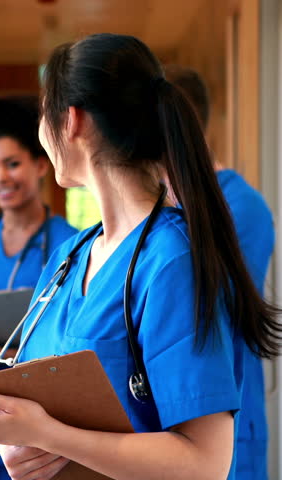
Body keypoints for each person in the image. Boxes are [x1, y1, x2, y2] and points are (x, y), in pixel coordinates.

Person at [0, 33, 281, 480]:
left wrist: (50, 436)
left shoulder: (170, 262)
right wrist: (14, 437)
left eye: (43, 114)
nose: (41, 133)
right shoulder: (70, 256)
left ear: (72, 120)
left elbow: (205, 464)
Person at [0, 96, 77, 480]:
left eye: (12, 163)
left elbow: (71, 351)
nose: (0, 177)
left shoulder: (70, 244)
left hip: (39, 432)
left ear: (41, 165)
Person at [165, 63, 275, 480]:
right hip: (176, 426)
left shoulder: (241, 207)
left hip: (227, 423)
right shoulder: (165, 206)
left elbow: (202, 307)